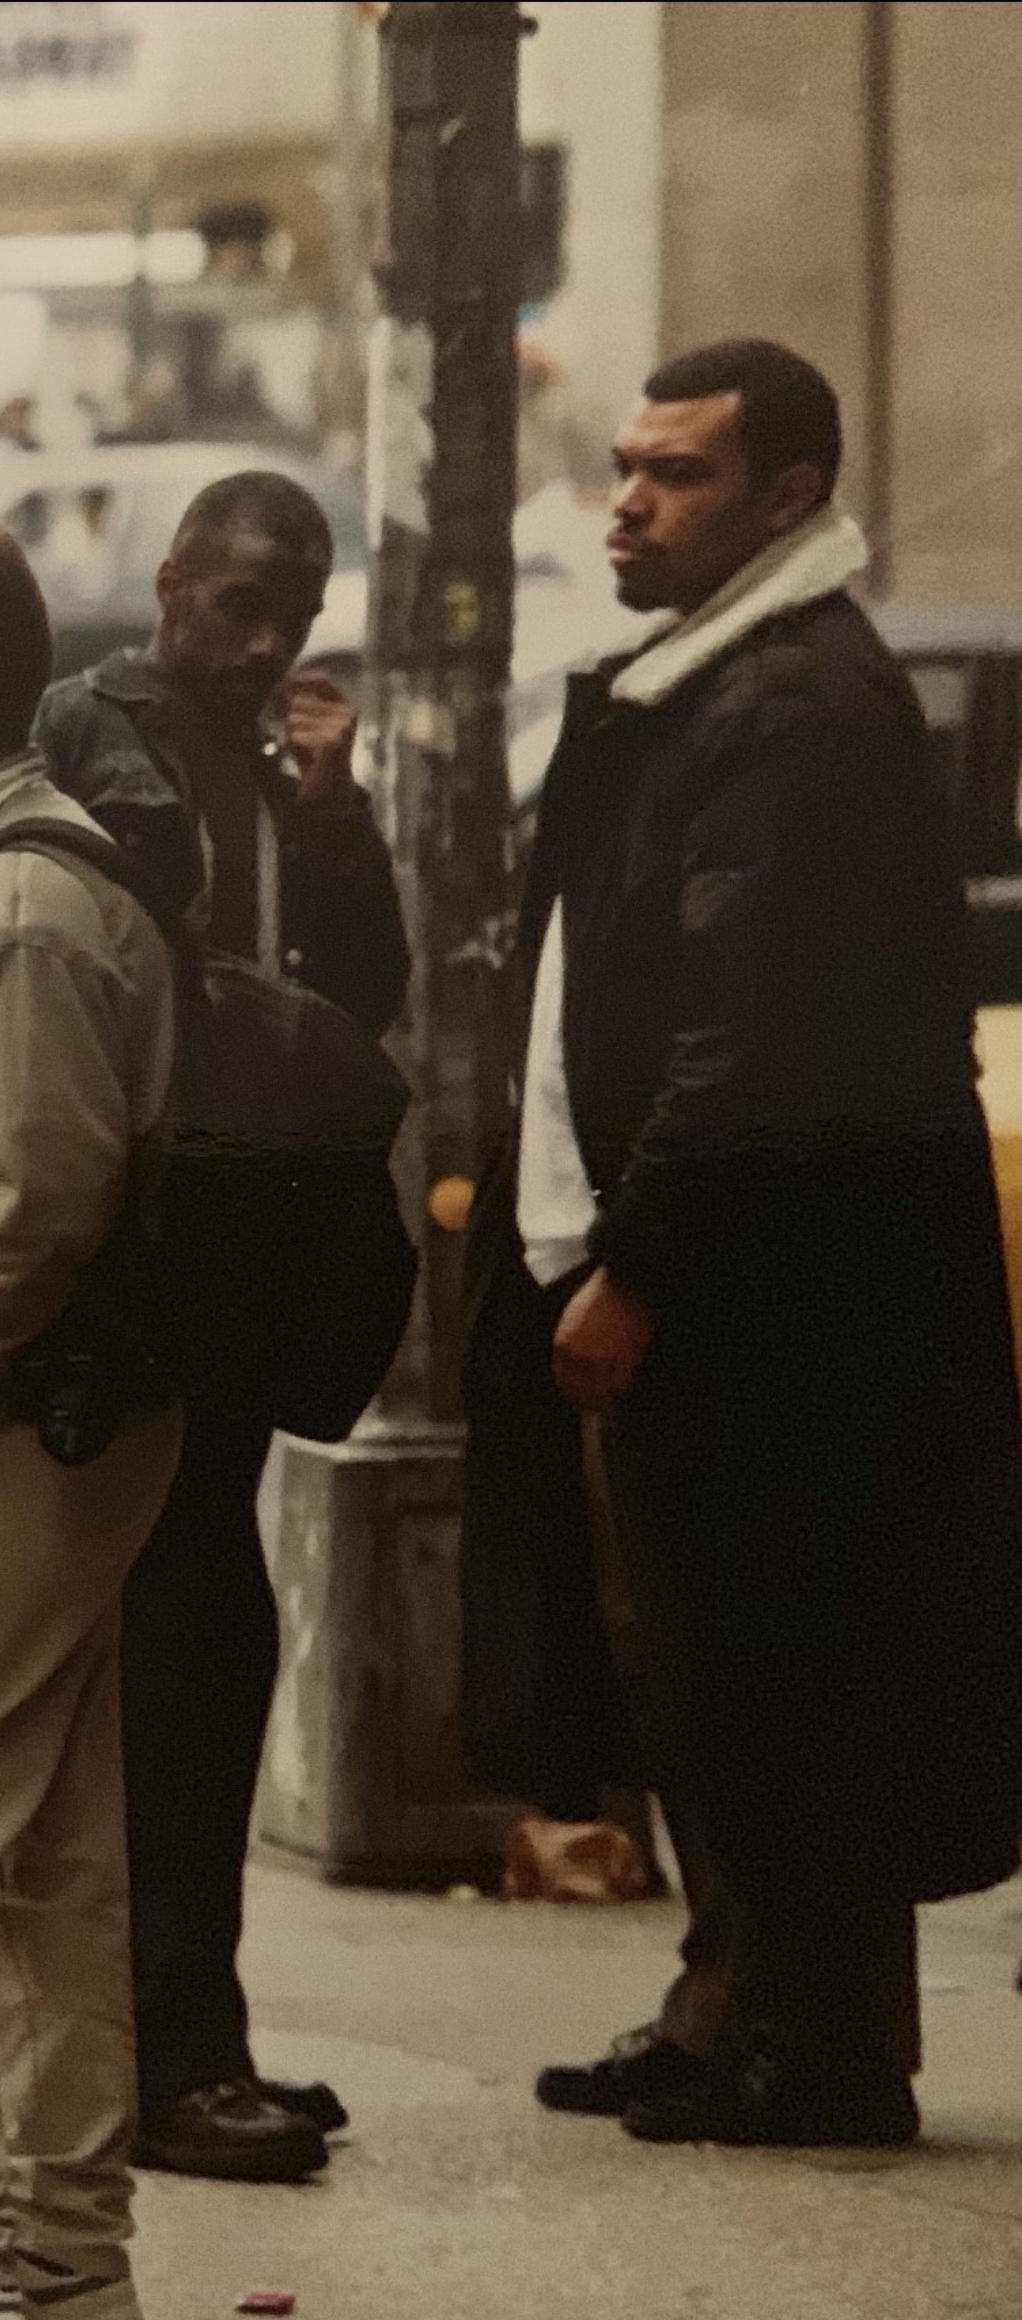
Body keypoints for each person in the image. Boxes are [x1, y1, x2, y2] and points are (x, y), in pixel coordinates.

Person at [468, 339, 1020, 2148]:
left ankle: (814, 2049)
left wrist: (636, 1263)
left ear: (786, 499)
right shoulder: (705, 679)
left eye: (677, 473)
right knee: (696, 1663)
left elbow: (750, 1030)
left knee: (773, 1663)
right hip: (711, 1272)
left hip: (759, 1294)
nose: (626, 499)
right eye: (624, 465)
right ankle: (732, 2005)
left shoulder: (792, 704)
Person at [35, 470, 410, 2183]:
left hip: (254, 1252)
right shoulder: (95, 722)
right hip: (149, 1258)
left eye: (298, 612)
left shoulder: (281, 759)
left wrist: (335, 814)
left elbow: (364, 991)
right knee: (176, 1646)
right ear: (174, 581)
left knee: (205, 1636)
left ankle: (196, 2031)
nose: (267, 642)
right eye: (239, 603)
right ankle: (171, 2050)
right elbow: (139, 934)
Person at [0, 508, 181, 2320]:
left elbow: (35, 1194)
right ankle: (69, 2276)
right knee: (51, 1860)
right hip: (42, 1444)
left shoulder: (14, 905)